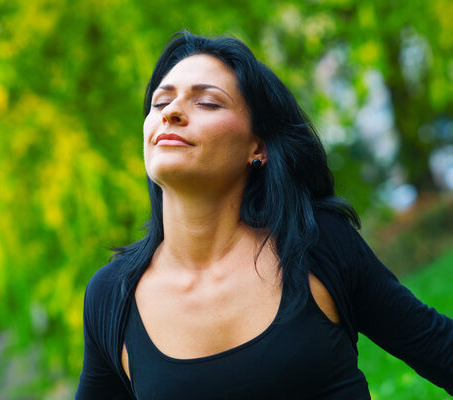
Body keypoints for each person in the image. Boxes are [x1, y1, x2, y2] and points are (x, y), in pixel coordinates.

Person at [76, 31, 453, 399]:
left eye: (207, 102)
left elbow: (441, 350)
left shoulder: (315, 243)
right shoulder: (112, 296)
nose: (171, 112)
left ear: (258, 147)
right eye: (160, 103)